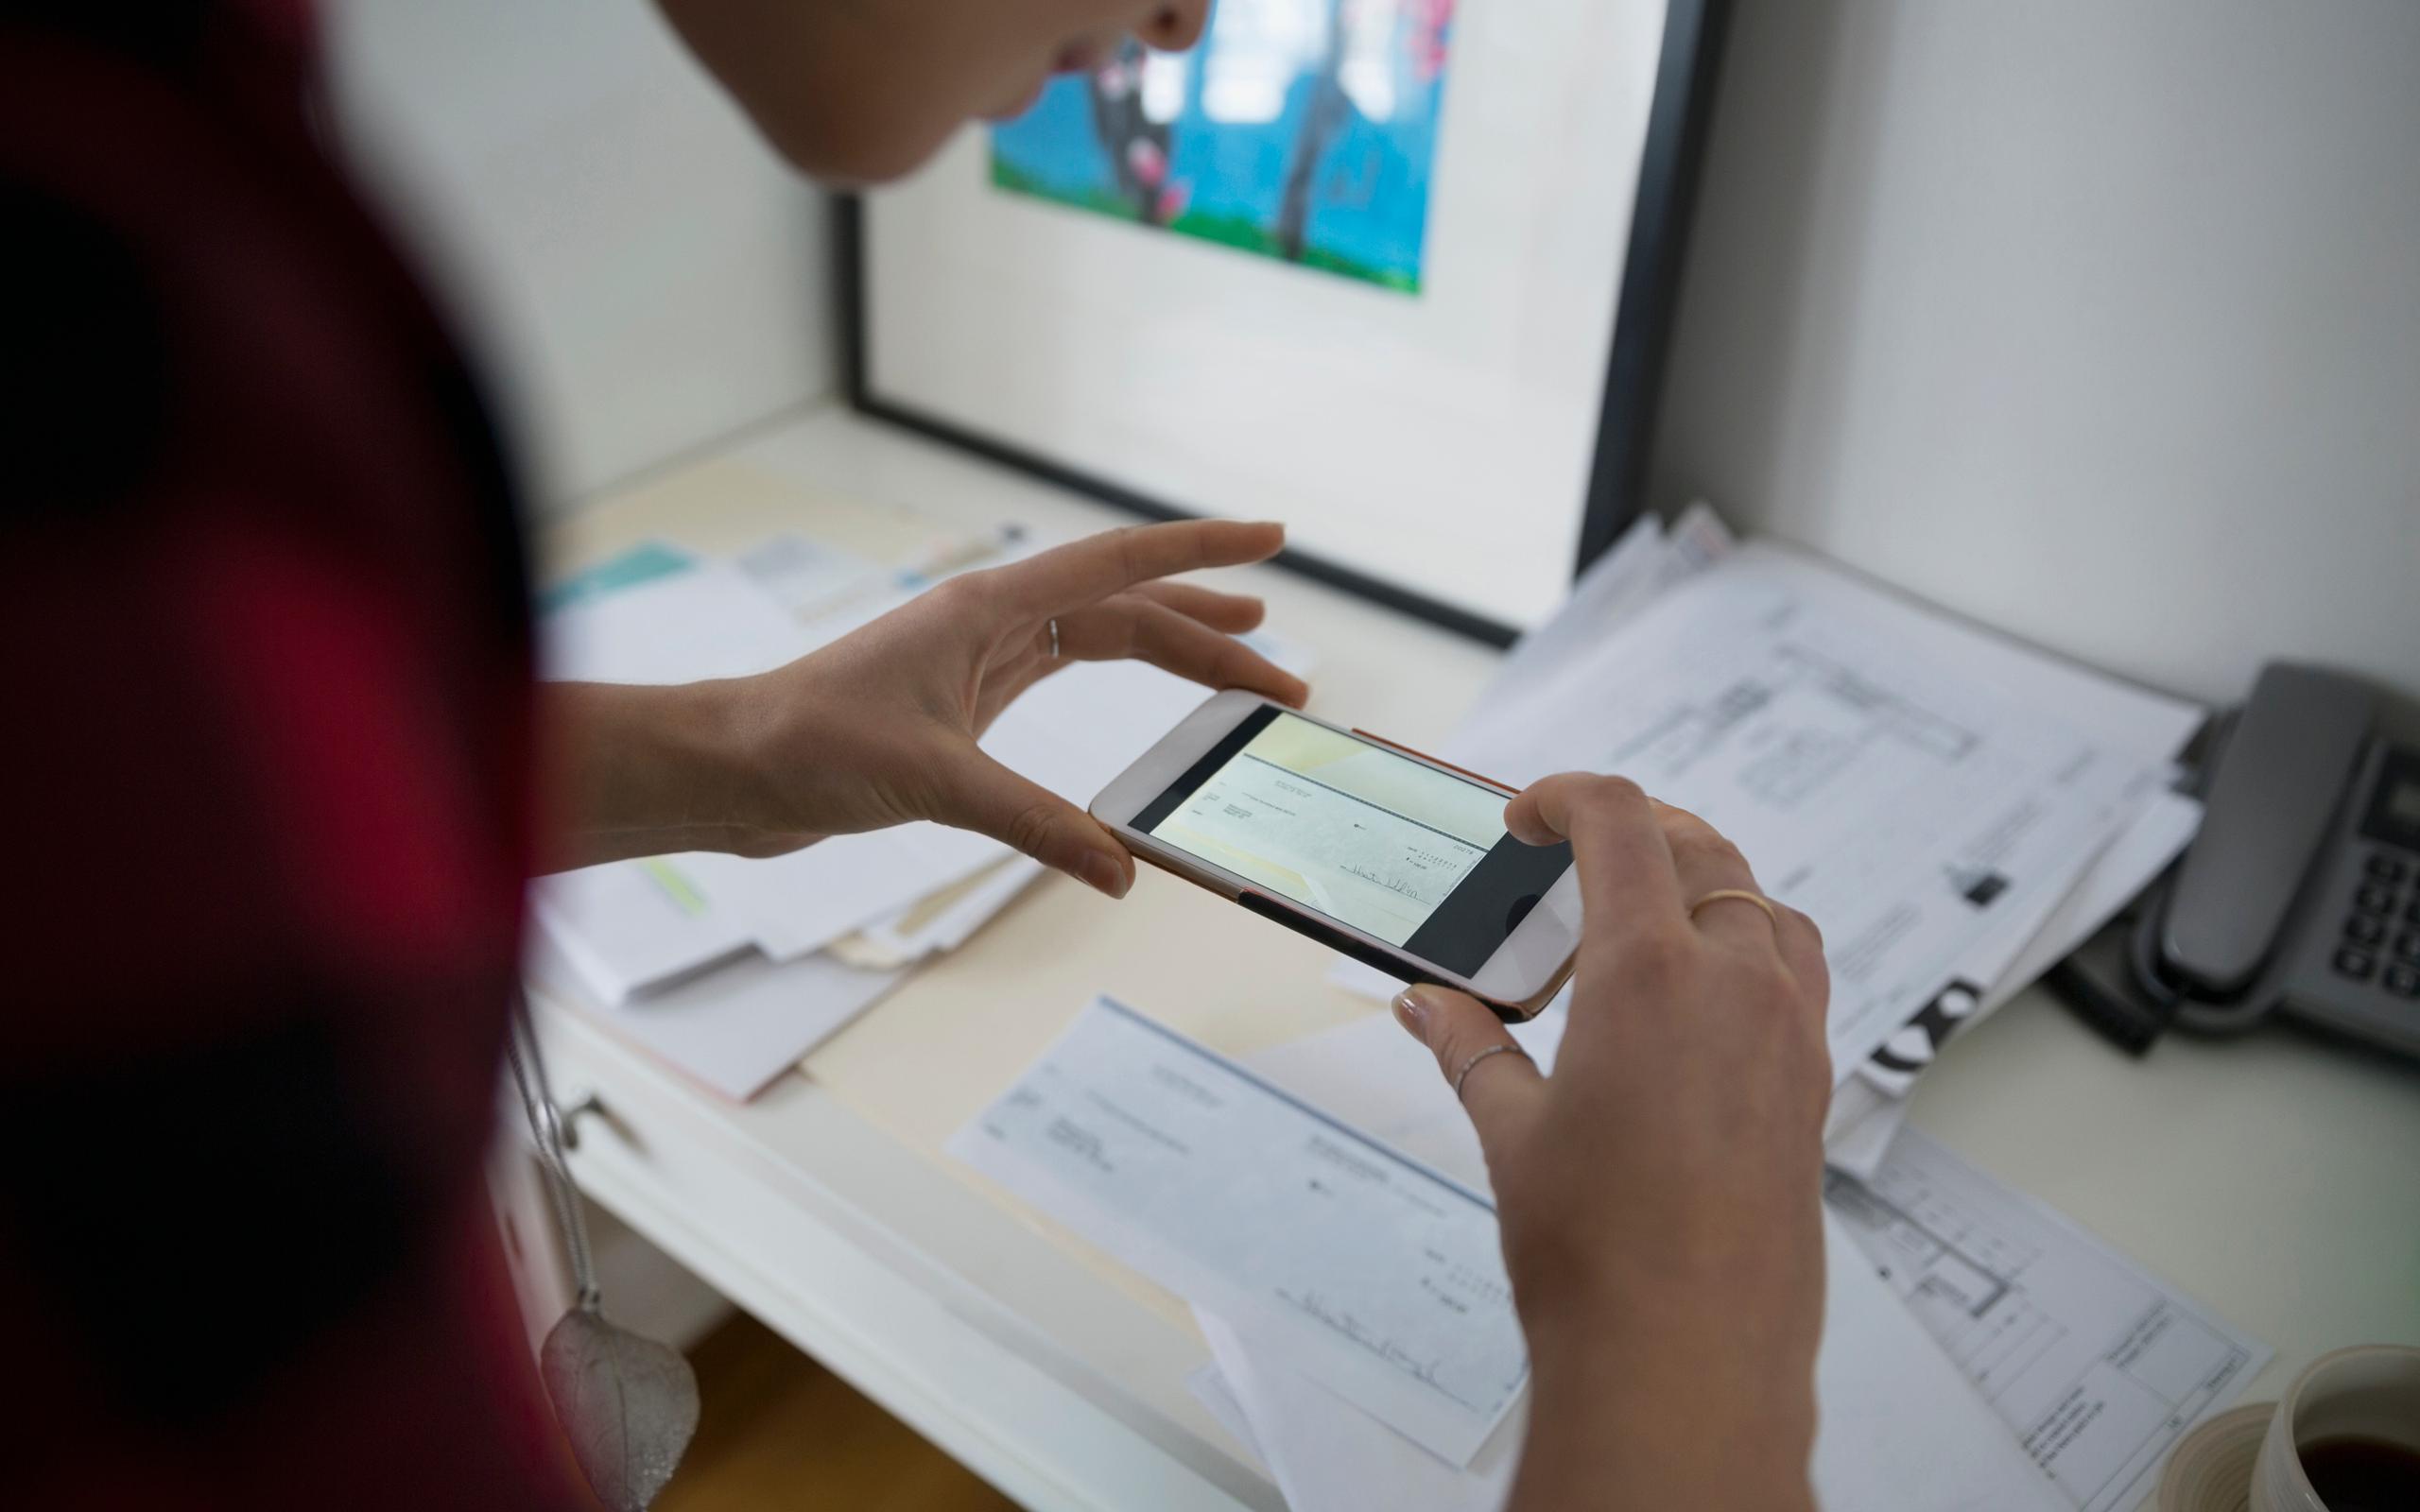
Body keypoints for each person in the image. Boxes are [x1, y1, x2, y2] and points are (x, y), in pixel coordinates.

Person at [0, 2, 1830, 1508]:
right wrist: (1683, 1330)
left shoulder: (151, 166)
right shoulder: (111, 312)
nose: (1186, 24)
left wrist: (731, 743)